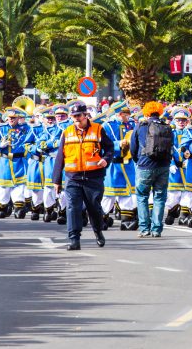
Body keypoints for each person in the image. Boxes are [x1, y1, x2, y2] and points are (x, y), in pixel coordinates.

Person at [52, 100, 113, 250]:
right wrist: (56, 180)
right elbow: (60, 157)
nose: (76, 119)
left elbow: (110, 148)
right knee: (73, 208)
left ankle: (98, 231)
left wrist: (106, 159)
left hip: (93, 177)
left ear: (86, 115)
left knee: (94, 208)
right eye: (73, 116)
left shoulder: (98, 129)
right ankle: (74, 239)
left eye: (79, 115)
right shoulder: (67, 132)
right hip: (73, 177)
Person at [130, 101, 173, 238]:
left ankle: (144, 229)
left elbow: (133, 147)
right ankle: (156, 230)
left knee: (142, 197)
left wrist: (138, 161)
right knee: (159, 197)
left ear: (146, 112)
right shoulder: (167, 126)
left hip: (144, 166)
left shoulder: (140, 126)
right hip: (163, 166)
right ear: (160, 111)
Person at [101, 102, 137, 231]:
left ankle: (126, 220)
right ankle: (102, 217)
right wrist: (117, 144)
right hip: (113, 164)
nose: (128, 117)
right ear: (119, 114)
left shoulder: (132, 125)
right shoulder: (107, 126)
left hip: (129, 165)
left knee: (127, 193)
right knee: (109, 194)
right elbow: (102, 145)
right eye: (125, 114)